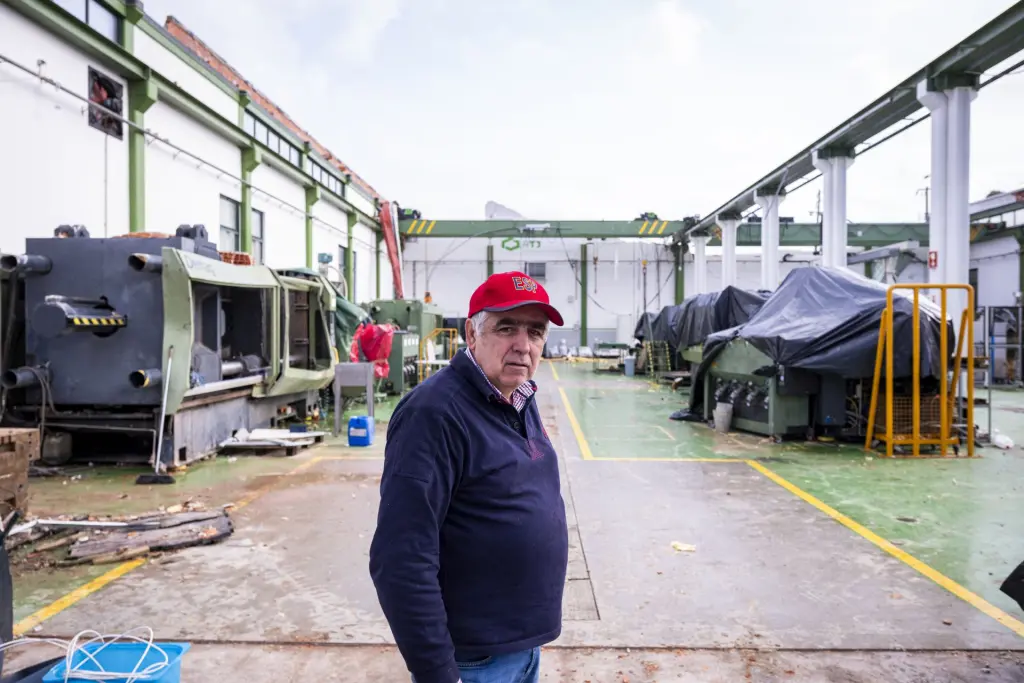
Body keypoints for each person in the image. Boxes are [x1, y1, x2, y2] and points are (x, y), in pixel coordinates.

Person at [369, 271, 569, 683]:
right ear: (471, 334)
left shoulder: (518, 396)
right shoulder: (434, 414)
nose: (523, 345)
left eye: (535, 332)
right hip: (472, 662)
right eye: (507, 328)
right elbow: (400, 558)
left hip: (520, 650)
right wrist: (438, 673)